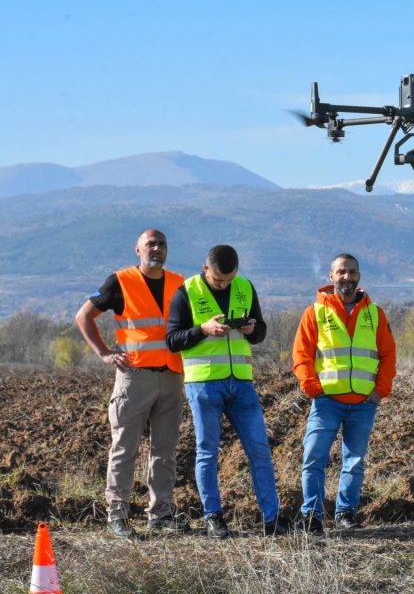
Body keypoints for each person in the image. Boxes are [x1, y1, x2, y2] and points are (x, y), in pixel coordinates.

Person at [165, 244, 287, 538]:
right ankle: (213, 517)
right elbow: (171, 340)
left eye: (229, 279)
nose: (225, 284)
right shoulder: (186, 292)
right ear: (206, 269)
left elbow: (261, 332)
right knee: (207, 451)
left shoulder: (244, 287)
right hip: (204, 384)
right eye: (219, 280)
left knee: (260, 450)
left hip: (242, 383)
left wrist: (252, 330)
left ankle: (272, 519)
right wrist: (202, 330)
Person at [75, 228, 188, 539]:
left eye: (161, 244)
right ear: (138, 249)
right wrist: (104, 353)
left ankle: (160, 515)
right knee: (125, 448)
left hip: (171, 375)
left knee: (165, 451)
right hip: (134, 377)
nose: (157, 248)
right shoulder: (120, 281)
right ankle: (117, 516)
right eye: (150, 244)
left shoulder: (181, 283)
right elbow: (84, 316)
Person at [292, 253, 396, 535]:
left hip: (363, 403)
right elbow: (301, 355)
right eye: (341, 272)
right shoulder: (315, 312)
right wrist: (313, 388)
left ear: (359, 276)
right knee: (314, 458)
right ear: (331, 277)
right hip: (327, 402)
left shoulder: (374, 314)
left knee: (355, 461)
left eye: (351, 272)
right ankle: (311, 515)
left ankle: (346, 512)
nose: (346, 277)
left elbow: (388, 355)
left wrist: (378, 392)